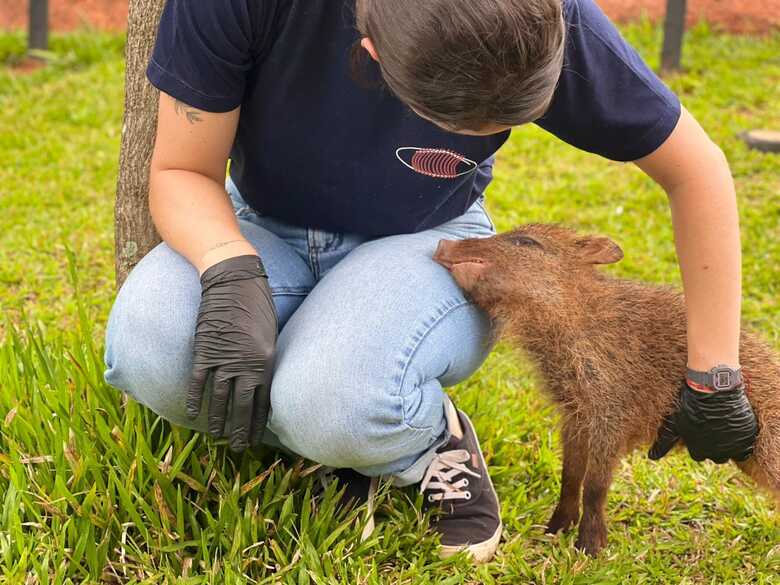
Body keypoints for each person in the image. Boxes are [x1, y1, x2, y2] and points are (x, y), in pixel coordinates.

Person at [103, 0, 757, 563]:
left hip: (429, 238)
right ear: (370, 53)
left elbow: (697, 171)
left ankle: (419, 441)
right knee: (148, 349)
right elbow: (182, 170)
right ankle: (349, 431)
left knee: (331, 403)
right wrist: (227, 267)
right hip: (259, 224)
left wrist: (716, 375)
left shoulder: (542, 15)